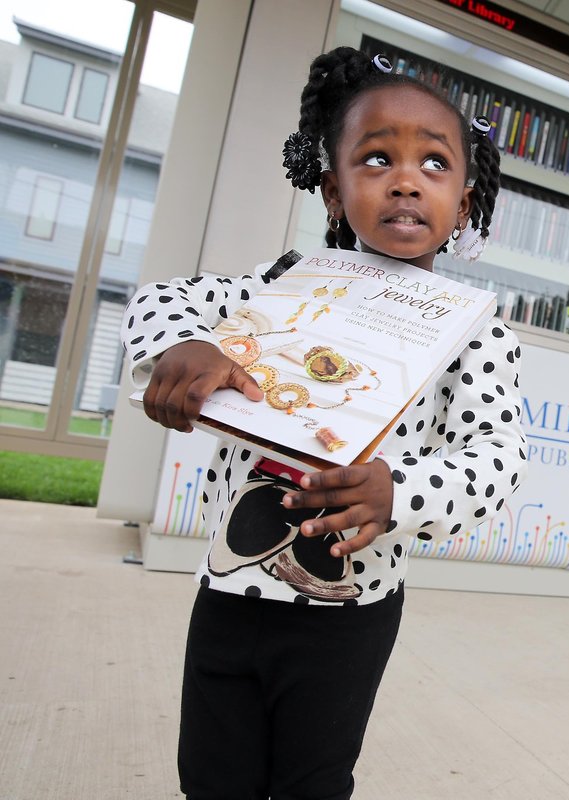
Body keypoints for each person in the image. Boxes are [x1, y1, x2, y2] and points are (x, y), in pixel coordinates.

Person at [123, 47, 527, 797]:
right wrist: (187, 344)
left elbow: (498, 455)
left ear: (464, 204)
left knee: (312, 783)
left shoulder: (477, 334)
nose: (406, 179)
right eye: (375, 158)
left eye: (434, 165)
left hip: (350, 610)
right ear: (333, 193)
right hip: (230, 587)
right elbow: (161, 299)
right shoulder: (279, 288)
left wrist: (399, 490)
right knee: (210, 777)